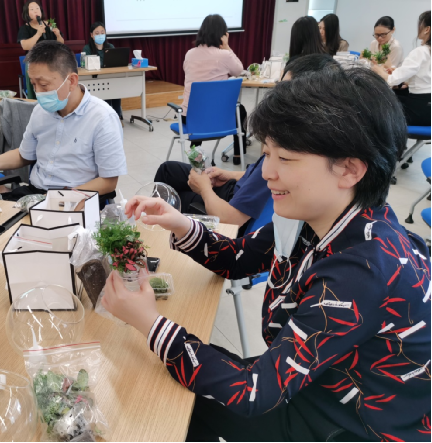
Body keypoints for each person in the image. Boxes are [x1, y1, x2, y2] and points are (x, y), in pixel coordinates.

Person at [103, 67, 431, 442]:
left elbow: (254, 391)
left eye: (285, 158)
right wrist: (180, 223)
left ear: (350, 169)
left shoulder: (364, 271)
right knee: (174, 376)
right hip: (320, 381)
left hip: (349, 422)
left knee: (173, 394)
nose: (267, 172)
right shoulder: (319, 216)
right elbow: (238, 259)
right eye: (266, 154)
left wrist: (148, 322)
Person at [155, 54, 341, 232]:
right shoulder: (295, 150)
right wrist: (229, 174)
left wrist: (204, 188)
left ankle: (156, 229)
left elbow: (230, 219)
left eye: (285, 90)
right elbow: (259, 179)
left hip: (230, 210)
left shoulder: (284, 157)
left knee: (172, 197)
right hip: (238, 189)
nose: (279, 97)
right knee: (169, 170)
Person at [0, 41, 126, 201]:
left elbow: (109, 181)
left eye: (44, 84)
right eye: (33, 84)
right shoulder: (40, 111)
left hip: (77, 198)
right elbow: (24, 155)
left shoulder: (102, 118)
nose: (38, 92)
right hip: (36, 194)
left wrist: (61, 198)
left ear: (72, 81)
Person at [181, 14, 245, 165]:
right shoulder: (224, 55)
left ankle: (195, 155)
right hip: (219, 118)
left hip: (191, 118)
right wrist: (227, 47)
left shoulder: (190, 54)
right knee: (240, 110)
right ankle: (238, 155)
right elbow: (238, 70)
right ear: (222, 34)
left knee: (199, 108)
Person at [373, 11, 431, 127]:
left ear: (427, 29)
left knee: (375, 104)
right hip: (426, 107)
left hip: (420, 110)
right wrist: (399, 75)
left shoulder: (420, 51)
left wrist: (378, 70)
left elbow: (392, 80)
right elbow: (423, 78)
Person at [18, 1, 64, 99]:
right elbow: (25, 46)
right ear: (27, 13)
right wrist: (38, 33)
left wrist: (58, 35)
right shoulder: (25, 28)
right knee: (39, 91)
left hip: (52, 62)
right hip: (35, 63)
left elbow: (61, 44)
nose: (36, 11)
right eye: (32, 9)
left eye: (37, 8)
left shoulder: (50, 24)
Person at [82, 22, 123, 122]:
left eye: (102, 32)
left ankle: (117, 116)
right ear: (92, 35)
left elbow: (115, 63)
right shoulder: (87, 48)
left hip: (111, 78)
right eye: (97, 33)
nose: (100, 35)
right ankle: (106, 117)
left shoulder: (110, 46)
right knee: (106, 95)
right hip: (95, 79)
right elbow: (87, 65)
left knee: (116, 90)